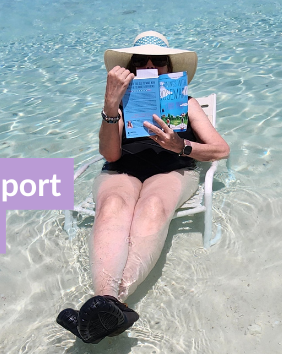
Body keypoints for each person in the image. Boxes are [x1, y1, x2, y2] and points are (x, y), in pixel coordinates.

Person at [57, 31, 230, 344]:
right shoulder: (119, 105)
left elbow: (220, 149)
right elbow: (109, 154)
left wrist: (182, 145)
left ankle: (105, 306)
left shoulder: (187, 103)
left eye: (158, 61)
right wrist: (110, 106)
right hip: (121, 170)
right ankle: (108, 306)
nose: (150, 65)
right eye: (141, 61)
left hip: (173, 169)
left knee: (151, 208)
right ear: (131, 68)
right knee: (112, 209)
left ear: (168, 67)